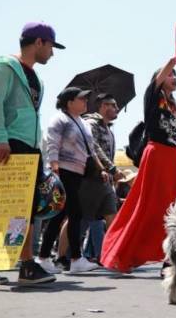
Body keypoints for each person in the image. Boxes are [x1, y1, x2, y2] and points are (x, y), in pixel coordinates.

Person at [101, 48, 176, 273]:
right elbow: (165, 70)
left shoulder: (173, 104)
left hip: (172, 158)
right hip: (156, 154)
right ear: (159, 79)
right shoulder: (152, 95)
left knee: (174, 208)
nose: (174, 78)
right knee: (146, 207)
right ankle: (122, 253)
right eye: (171, 75)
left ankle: (169, 259)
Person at [0, 22, 65, 285]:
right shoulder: (4, 67)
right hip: (9, 144)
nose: (52, 53)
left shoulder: (35, 77)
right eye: (51, 47)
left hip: (29, 147)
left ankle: (26, 266)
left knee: (23, 209)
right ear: (39, 43)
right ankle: (26, 265)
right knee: (4, 207)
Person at [38, 87, 105, 274]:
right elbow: (52, 142)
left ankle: (46, 258)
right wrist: (54, 167)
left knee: (60, 215)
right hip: (63, 172)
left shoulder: (82, 122)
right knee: (73, 213)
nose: (85, 101)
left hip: (77, 173)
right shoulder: (59, 119)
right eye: (81, 98)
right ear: (69, 102)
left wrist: (102, 169)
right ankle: (74, 259)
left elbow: (91, 149)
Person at [77, 93, 122, 263]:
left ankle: (110, 255)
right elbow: (93, 147)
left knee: (111, 215)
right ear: (103, 106)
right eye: (113, 105)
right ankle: (64, 256)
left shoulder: (108, 128)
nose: (117, 108)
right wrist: (110, 168)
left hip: (105, 180)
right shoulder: (91, 123)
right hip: (91, 177)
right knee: (81, 219)